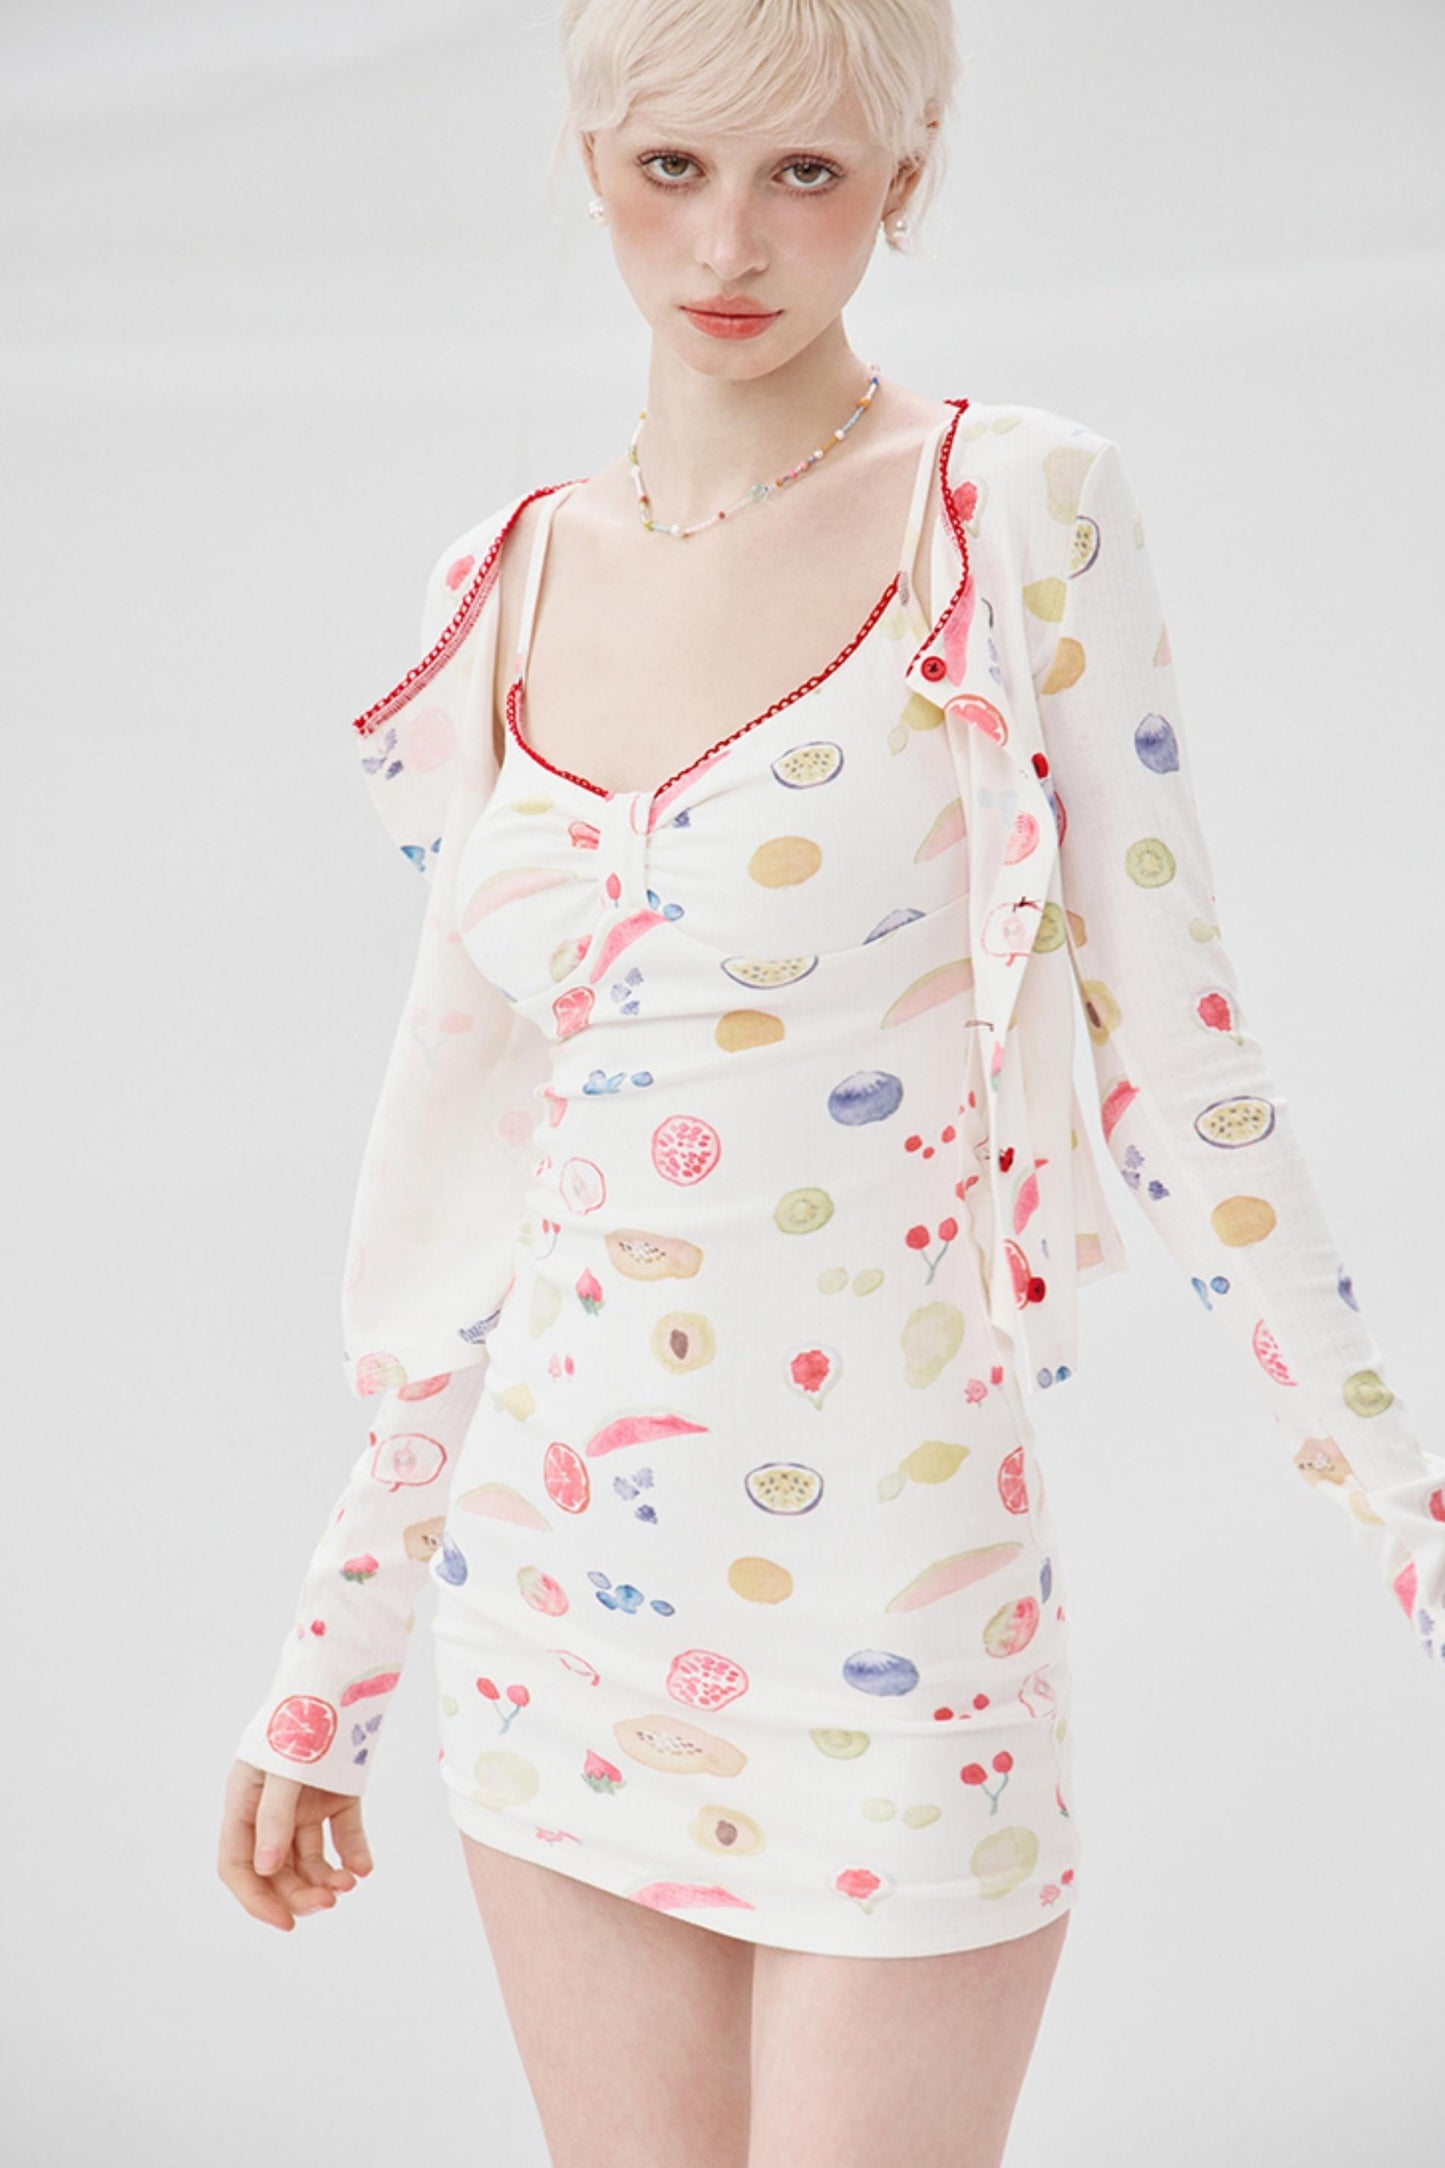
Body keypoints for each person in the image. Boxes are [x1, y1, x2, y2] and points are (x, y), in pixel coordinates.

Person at [217, 4, 1444, 2163]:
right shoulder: (497, 583)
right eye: (672, 168)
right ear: (592, 162)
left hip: (899, 1596)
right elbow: (473, 1177)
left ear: (907, 172)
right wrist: (335, 1655)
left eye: (805, 172)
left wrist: (1399, 1501)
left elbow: (1180, 1055)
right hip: (554, 1597)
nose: (731, 243)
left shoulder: (1013, 507)